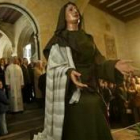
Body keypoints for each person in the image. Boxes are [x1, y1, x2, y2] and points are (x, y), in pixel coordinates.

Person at [33, 2, 136, 140]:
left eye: (76, 9)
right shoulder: (59, 39)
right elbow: (54, 65)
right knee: (86, 106)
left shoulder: (88, 39)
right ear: (63, 17)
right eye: (70, 9)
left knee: (96, 103)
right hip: (70, 90)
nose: (75, 10)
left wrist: (114, 65)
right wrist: (69, 72)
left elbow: (99, 63)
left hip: (91, 87)